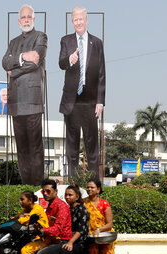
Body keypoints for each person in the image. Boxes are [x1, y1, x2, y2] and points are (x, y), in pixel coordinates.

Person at [2, 4, 47, 186]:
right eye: (23, 17)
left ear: (34, 20)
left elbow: (35, 63)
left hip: (33, 100)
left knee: (35, 147)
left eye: (29, 17)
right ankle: (26, 187)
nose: (26, 20)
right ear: (19, 21)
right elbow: (5, 62)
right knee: (21, 148)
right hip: (16, 101)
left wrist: (15, 70)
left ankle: (37, 188)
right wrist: (22, 57)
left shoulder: (40, 37)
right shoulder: (13, 42)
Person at [59, 7, 105, 181]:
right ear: (72, 22)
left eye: (81, 19)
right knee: (71, 147)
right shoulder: (66, 41)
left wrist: (100, 101)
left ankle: (94, 185)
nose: (78, 22)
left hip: (90, 101)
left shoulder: (97, 43)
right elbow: (60, 63)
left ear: (86, 20)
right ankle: (73, 184)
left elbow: (102, 73)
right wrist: (69, 60)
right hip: (71, 100)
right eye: (75, 20)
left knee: (92, 146)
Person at [35, 184, 89, 254]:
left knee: (60, 251)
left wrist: (70, 242)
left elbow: (81, 230)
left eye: (70, 195)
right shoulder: (67, 208)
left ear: (77, 196)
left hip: (78, 242)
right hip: (67, 240)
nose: (67, 197)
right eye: (66, 195)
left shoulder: (81, 209)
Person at [32, 179, 73, 254]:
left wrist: (43, 231)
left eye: (48, 191)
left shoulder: (62, 206)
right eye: (43, 191)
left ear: (55, 191)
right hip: (52, 240)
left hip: (62, 241)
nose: (45, 194)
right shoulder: (50, 206)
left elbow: (58, 228)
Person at [84, 179, 121, 254]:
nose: (89, 189)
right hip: (89, 236)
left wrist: (99, 229)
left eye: (92, 187)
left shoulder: (104, 204)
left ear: (98, 190)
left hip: (103, 235)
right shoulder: (83, 202)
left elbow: (109, 224)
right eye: (88, 187)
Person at [14, 190, 49, 254]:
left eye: (22, 199)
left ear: (30, 200)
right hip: (32, 239)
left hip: (43, 240)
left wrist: (22, 217)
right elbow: (15, 218)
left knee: (25, 251)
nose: (20, 202)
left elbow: (25, 220)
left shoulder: (37, 209)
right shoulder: (25, 209)